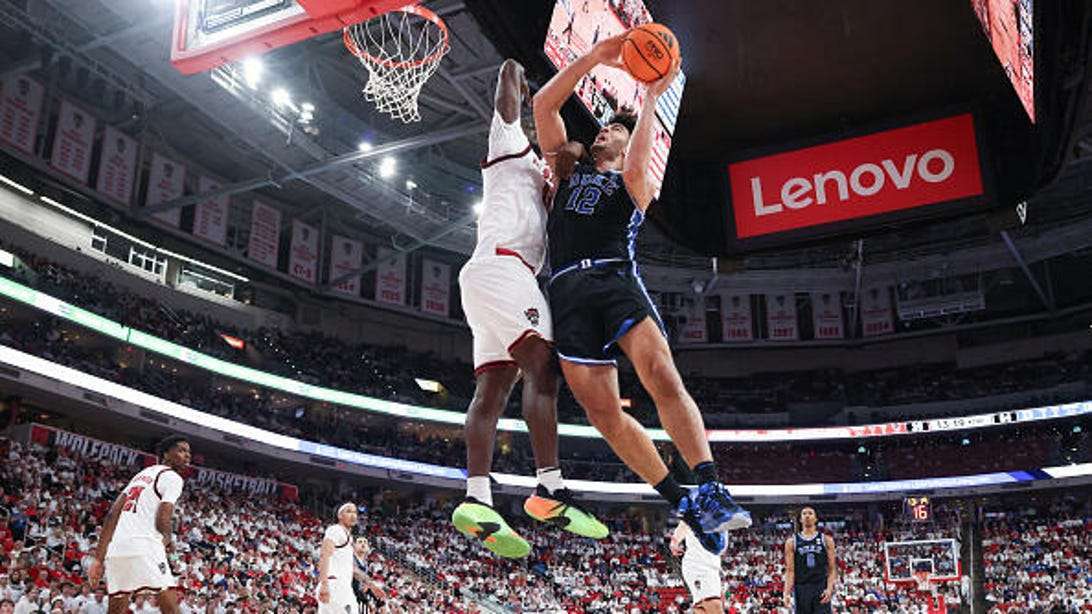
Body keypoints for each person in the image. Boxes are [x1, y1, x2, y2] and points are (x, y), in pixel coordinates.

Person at [531, 32, 750, 551]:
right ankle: (683, 502)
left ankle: (710, 486)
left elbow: (637, 165)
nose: (604, 131)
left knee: (661, 377)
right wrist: (594, 57)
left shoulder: (638, 181)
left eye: (614, 130)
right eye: (604, 127)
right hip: (566, 289)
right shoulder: (566, 170)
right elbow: (543, 104)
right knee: (603, 413)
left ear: (630, 144)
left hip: (614, 279)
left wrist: (651, 96)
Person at [452, 58, 607, 558]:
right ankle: (549, 486)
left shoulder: (550, 189)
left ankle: (476, 497)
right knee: (543, 367)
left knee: (493, 388)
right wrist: (523, 77)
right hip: (503, 268)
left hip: (492, 277)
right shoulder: (510, 144)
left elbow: (575, 162)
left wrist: (575, 154)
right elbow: (507, 73)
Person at [88, 435, 190, 614]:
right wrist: (168, 541)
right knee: (171, 608)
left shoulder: (141, 475)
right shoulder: (172, 477)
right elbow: (163, 518)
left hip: (117, 550)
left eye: (188, 452)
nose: (187, 455)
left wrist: (98, 558)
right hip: (145, 545)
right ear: (166, 454)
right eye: (182, 450)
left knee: (115, 610)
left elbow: (111, 515)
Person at [783, 507, 838, 613]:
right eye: (804, 513)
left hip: (820, 586)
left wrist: (829, 588)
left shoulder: (826, 540)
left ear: (816, 518)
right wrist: (786, 593)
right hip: (801, 587)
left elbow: (832, 569)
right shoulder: (792, 542)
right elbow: (790, 571)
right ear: (800, 519)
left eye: (810, 513)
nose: (807, 516)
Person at [669, 521, 724, 613]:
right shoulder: (699, 512)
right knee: (713, 605)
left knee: (703, 609)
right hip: (699, 564)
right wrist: (675, 541)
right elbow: (686, 522)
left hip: (712, 566)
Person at [316, 503, 359, 614]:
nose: (353, 515)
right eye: (348, 511)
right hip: (335, 585)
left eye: (355, 512)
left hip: (339, 586)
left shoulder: (348, 537)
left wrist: (370, 584)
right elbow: (324, 555)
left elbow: (352, 568)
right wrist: (324, 584)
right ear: (339, 516)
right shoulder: (335, 530)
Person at [350, 536, 386, 612]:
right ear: (354, 546)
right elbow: (355, 571)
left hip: (358, 594)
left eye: (365, 542)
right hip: (349, 592)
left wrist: (370, 587)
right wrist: (372, 585)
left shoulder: (365, 563)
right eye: (360, 542)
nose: (363, 544)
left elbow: (363, 582)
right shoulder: (350, 557)